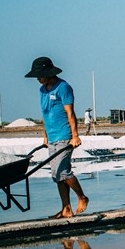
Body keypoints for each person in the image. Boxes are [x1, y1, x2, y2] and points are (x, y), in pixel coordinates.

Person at [25, 56, 89, 219]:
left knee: (64, 172)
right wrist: (45, 135)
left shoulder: (63, 87)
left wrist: (75, 136)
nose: (38, 79)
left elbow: (70, 113)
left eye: (40, 75)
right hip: (52, 136)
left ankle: (82, 197)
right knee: (56, 174)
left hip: (64, 135)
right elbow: (45, 114)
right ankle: (66, 209)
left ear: (49, 73)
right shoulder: (42, 90)